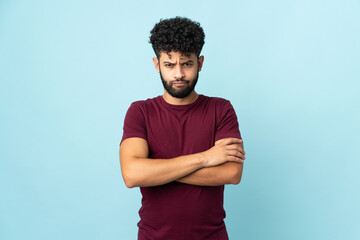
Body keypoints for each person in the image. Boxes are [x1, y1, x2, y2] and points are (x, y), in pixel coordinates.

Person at [119, 16, 246, 240]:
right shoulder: (140, 112)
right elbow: (132, 174)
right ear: (157, 65)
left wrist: (156, 171)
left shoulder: (221, 109)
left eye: (187, 63)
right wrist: (205, 158)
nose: (178, 74)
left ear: (200, 63)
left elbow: (231, 173)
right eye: (169, 64)